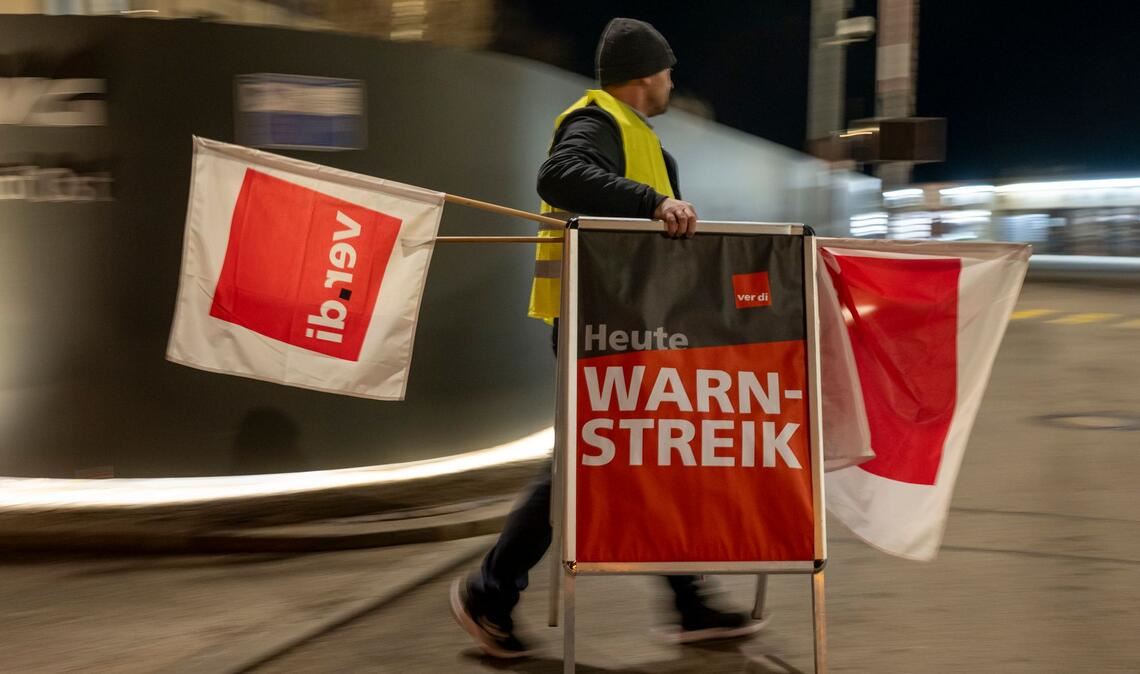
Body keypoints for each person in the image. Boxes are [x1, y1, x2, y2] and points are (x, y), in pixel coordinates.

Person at [450, 17, 763, 659]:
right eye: (668, 69)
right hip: (597, 326)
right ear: (646, 73)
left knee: (649, 455)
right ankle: (490, 592)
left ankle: (686, 603)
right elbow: (558, 175)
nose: (673, 80)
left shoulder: (646, 142)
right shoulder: (594, 121)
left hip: (634, 326)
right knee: (583, 465)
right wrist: (653, 202)